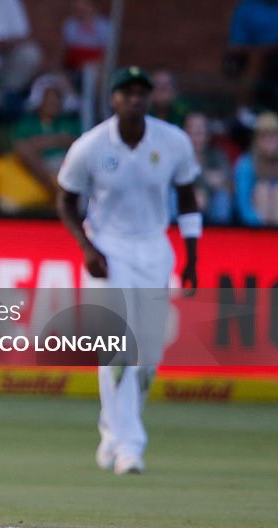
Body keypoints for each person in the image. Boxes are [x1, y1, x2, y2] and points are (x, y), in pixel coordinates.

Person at [57, 66, 201, 476]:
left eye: (142, 92)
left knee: (148, 355)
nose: (134, 99)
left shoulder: (172, 142)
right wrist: (86, 247)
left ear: (150, 98)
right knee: (118, 349)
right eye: (127, 92)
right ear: (113, 99)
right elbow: (66, 199)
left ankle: (112, 430)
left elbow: (188, 197)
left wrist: (192, 256)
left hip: (155, 247)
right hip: (109, 249)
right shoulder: (91, 145)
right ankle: (129, 446)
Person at [226, 0, 278, 116]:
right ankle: (244, 113)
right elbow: (236, 47)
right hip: (258, 63)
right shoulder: (247, 7)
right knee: (256, 59)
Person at [183, 112, 234, 225]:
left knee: (222, 197)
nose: (196, 138)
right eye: (192, 133)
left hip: (212, 203)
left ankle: (220, 236)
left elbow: (227, 183)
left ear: (208, 135)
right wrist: (195, 192)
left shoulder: (217, 155)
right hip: (184, 204)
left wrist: (202, 190)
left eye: (200, 133)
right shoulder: (177, 157)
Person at [234, 111, 278, 226]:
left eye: (273, 136)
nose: (269, 141)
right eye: (264, 136)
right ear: (256, 139)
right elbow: (243, 204)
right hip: (256, 228)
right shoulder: (246, 164)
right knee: (262, 190)